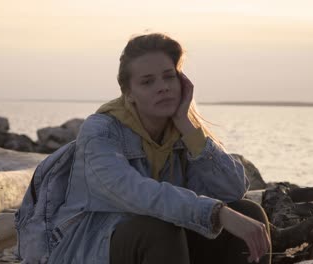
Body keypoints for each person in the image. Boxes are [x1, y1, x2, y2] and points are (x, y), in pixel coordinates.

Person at [46, 32, 271, 264]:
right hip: (92, 250)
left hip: (165, 248)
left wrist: (187, 124)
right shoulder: (101, 131)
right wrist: (216, 213)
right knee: (157, 230)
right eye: (147, 81)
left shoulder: (180, 129)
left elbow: (233, 189)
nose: (162, 87)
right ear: (129, 93)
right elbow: (137, 195)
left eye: (169, 77)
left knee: (248, 212)